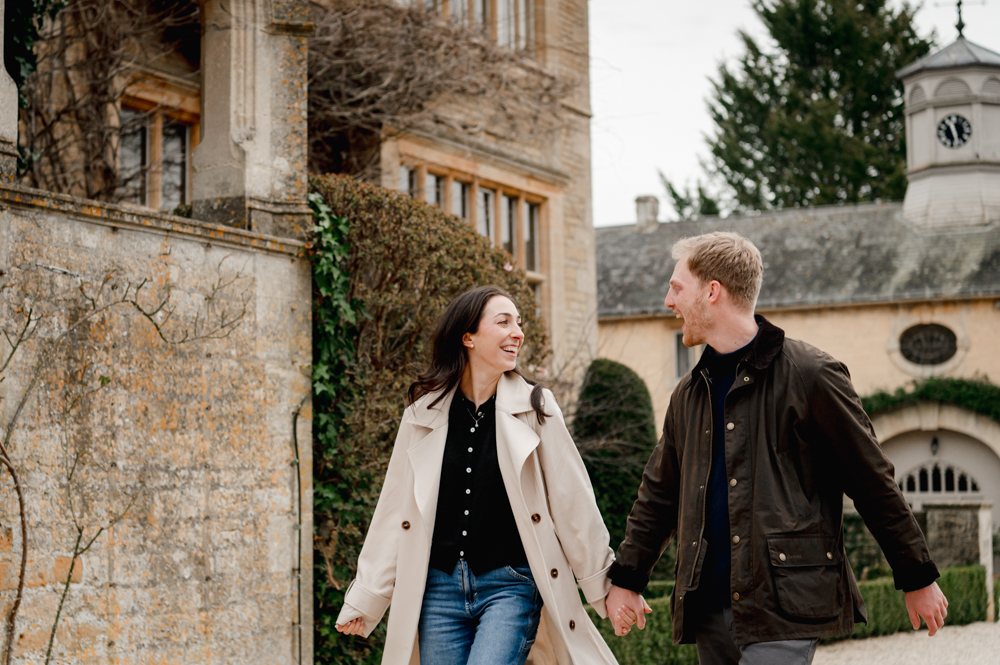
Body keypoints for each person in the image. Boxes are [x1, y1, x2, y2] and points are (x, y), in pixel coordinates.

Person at [604, 232, 949, 665]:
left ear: (713, 292)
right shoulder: (689, 393)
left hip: (783, 603)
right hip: (707, 603)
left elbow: (871, 480)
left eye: (676, 287)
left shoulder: (812, 375)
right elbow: (658, 493)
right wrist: (628, 578)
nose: (668, 301)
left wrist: (916, 575)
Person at [335, 285, 619, 665]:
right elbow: (394, 512)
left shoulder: (537, 408)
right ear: (468, 336)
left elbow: (574, 503)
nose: (517, 332)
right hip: (437, 591)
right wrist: (367, 597)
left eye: (519, 323)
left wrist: (607, 588)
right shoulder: (423, 415)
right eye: (503, 322)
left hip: (511, 587)